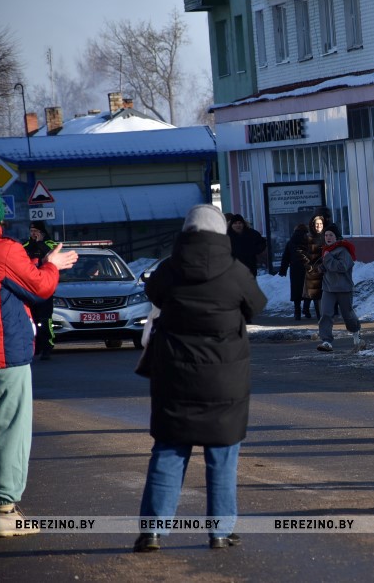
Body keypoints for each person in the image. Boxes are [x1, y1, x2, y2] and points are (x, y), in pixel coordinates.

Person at [134, 204, 267, 553]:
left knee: (168, 450)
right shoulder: (235, 271)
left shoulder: (169, 269)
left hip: (174, 376)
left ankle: (152, 532)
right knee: (222, 455)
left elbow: (153, 294)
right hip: (225, 379)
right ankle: (220, 532)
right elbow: (256, 305)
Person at [0, 190, 78, 536]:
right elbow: (38, 288)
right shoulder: (3, 249)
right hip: (4, 353)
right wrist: (51, 265)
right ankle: (5, 511)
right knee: (10, 431)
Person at [316, 224, 363, 352]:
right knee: (326, 314)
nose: (328, 238)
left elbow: (342, 267)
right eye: (326, 235)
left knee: (347, 315)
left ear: (336, 236)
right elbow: (329, 265)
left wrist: (328, 259)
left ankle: (356, 332)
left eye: (331, 235)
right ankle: (326, 341)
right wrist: (322, 267)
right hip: (328, 288)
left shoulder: (343, 250)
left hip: (343, 288)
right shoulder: (327, 250)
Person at [22, 221, 58, 360]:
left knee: (45, 319)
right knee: (32, 319)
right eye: (31, 231)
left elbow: (51, 256)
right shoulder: (25, 245)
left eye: (36, 231)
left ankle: (47, 346)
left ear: (42, 232)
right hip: (30, 288)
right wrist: (33, 244)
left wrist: (40, 242)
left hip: (45, 288)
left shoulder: (50, 244)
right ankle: (35, 347)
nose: (33, 234)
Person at [278, 223, 311, 321]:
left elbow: (285, 257)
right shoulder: (308, 241)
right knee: (308, 289)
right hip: (307, 268)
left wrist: (283, 270)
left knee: (296, 289)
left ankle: (297, 312)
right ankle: (306, 309)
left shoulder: (291, 242)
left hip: (295, 269)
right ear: (306, 231)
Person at [302, 215, 326, 319]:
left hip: (326, 270)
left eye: (320, 224)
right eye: (317, 224)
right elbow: (301, 253)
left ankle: (326, 316)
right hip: (314, 271)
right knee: (316, 295)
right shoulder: (308, 238)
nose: (318, 226)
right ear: (313, 225)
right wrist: (309, 265)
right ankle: (320, 318)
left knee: (326, 294)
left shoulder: (326, 236)